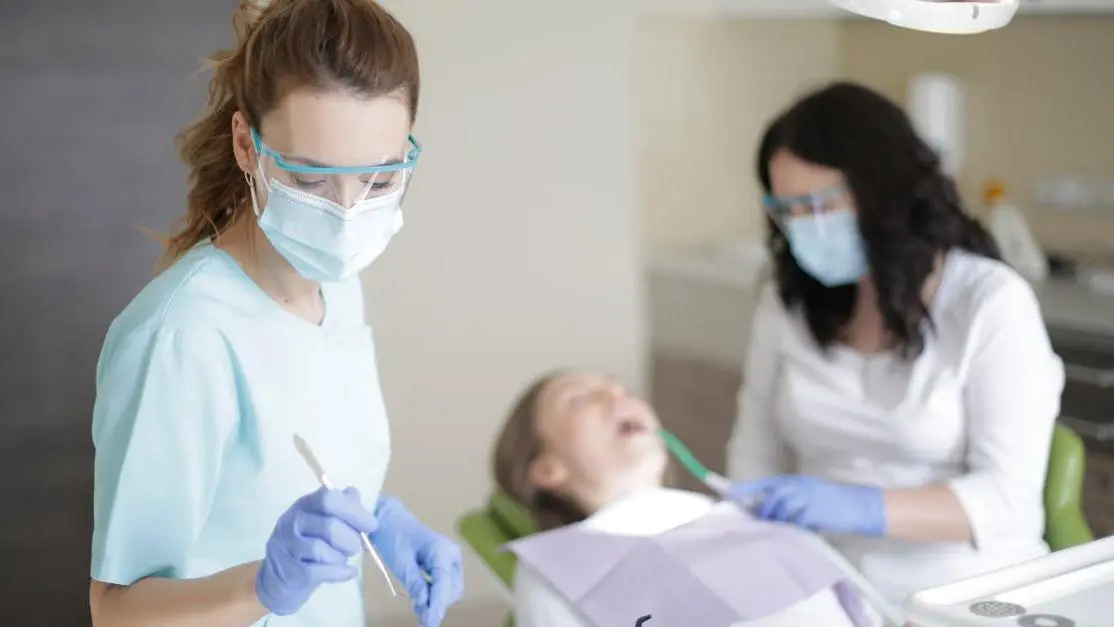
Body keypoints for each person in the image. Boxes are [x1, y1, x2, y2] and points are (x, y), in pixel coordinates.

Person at [88, 1, 463, 626]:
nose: (346, 214)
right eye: (312, 181)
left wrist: (382, 517)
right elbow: (117, 613)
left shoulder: (337, 286)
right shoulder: (182, 337)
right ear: (246, 145)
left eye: (378, 179)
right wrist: (263, 587)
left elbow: (284, 472)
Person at [726, 81, 1065, 605]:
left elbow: (1008, 500)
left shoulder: (990, 303)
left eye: (821, 206)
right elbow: (754, 455)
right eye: (788, 210)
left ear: (886, 193)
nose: (805, 228)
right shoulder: (786, 301)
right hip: (825, 586)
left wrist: (863, 507)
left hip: (968, 591)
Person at [493, 371, 889, 627]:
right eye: (581, 397)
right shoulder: (556, 572)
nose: (618, 397)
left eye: (622, 389)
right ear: (546, 469)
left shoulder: (748, 518)